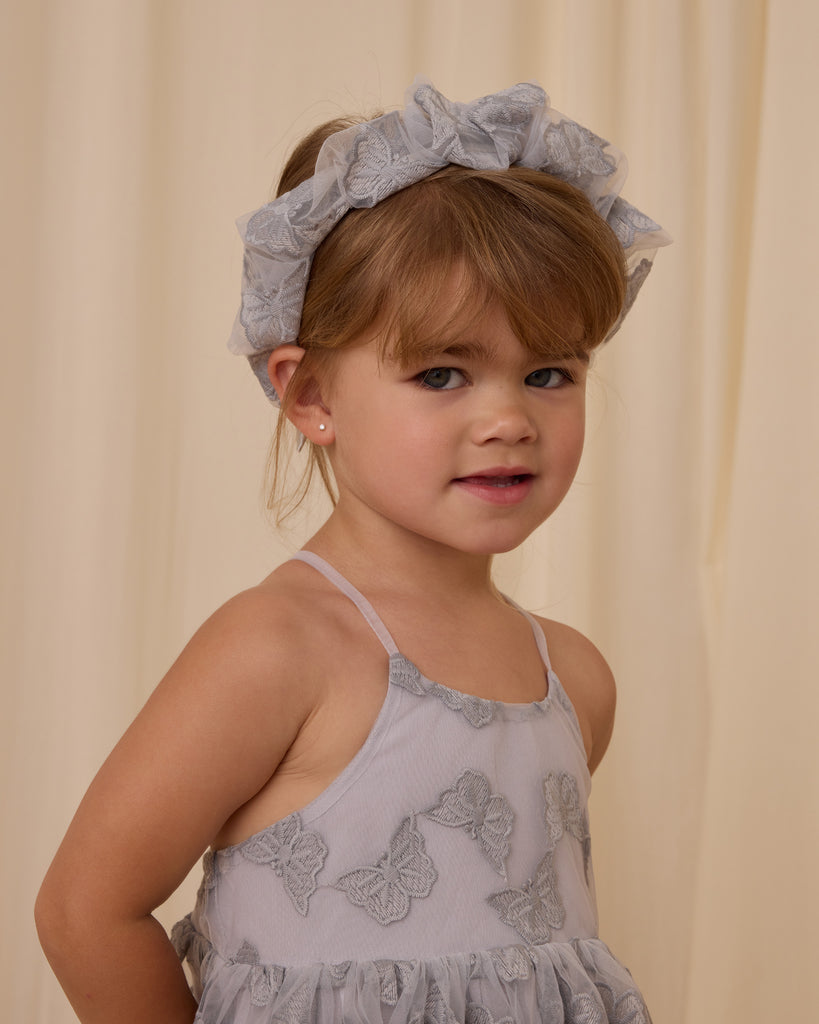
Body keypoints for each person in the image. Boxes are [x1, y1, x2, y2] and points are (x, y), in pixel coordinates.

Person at [35, 79, 669, 1024]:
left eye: (548, 373)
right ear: (311, 396)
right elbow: (85, 911)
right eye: (441, 374)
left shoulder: (573, 678)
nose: (508, 419)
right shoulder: (279, 646)